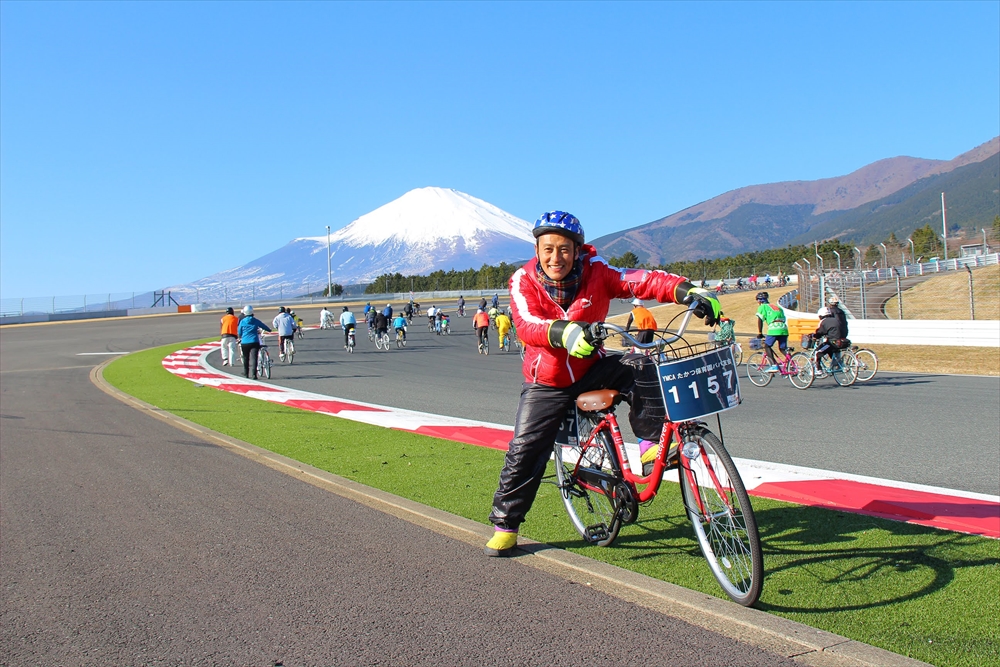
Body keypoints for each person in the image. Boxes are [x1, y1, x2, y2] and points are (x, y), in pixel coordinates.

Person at [484, 210, 720, 557]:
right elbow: (527, 324)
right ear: (537, 249)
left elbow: (640, 280)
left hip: (592, 369)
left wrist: (685, 290)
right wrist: (563, 331)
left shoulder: (598, 272)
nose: (555, 258)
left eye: (564, 249)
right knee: (525, 449)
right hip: (546, 382)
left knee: (640, 364)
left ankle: (649, 442)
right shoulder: (523, 280)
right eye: (547, 249)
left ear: (578, 250)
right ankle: (506, 524)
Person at [755, 291, 788, 372]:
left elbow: (760, 320)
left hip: (774, 328)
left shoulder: (762, 307)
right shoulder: (777, 307)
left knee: (767, 346)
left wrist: (760, 333)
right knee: (782, 348)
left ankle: (774, 365)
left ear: (760, 300)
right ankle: (791, 363)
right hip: (784, 328)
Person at [237, 306, 271, 379]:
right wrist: (269, 330)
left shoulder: (242, 321)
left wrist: (241, 336)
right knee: (254, 358)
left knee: (246, 358)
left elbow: (239, 331)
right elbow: (264, 326)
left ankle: (246, 374)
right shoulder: (255, 320)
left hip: (245, 342)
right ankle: (254, 375)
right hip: (254, 341)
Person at [813, 306, 846, 375]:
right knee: (830, 351)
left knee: (817, 352)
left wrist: (815, 336)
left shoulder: (824, 322)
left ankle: (818, 369)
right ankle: (838, 364)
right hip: (841, 341)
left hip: (832, 342)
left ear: (821, 316)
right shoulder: (835, 319)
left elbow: (820, 332)